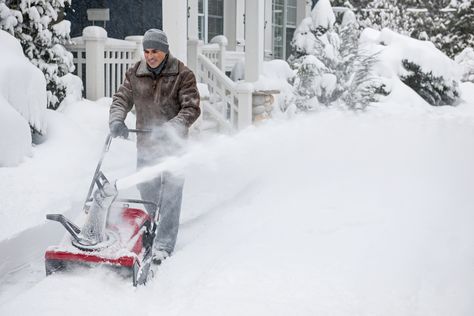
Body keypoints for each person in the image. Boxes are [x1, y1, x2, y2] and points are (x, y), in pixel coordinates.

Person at [108, 29, 201, 264]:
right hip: (147, 145)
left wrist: (170, 128)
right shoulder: (135, 73)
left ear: (165, 50)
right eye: (147, 51)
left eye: (155, 51)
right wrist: (117, 120)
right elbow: (121, 99)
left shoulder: (182, 74)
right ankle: (152, 228)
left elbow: (191, 108)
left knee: (170, 196)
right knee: (148, 193)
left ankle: (163, 244)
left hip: (174, 148)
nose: (150, 56)